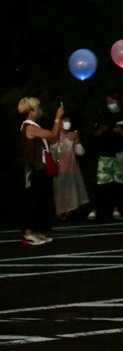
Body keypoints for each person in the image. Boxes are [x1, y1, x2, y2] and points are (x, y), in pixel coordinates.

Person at [19, 97, 64, 245]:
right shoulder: (29, 127)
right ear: (30, 111)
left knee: (40, 200)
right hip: (33, 169)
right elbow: (52, 135)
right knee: (31, 200)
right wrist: (57, 118)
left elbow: (52, 139)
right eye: (37, 108)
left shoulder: (34, 126)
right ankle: (28, 234)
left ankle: (35, 231)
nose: (39, 110)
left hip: (39, 168)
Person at [91, 91, 123, 220]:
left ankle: (117, 208)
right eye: (108, 102)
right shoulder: (103, 116)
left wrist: (121, 132)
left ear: (118, 101)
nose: (110, 104)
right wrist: (101, 130)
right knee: (101, 183)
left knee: (119, 183)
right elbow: (95, 134)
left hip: (122, 153)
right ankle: (95, 209)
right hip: (105, 154)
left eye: (112, 102)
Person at [52, 113, 90, 220]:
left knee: (71, 190)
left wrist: (77, 142)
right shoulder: (55, 136)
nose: (68, 123)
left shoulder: (72, 134)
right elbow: (59, 152)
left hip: (72, 168)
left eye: (69, 121)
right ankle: (59, 212)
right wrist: (69, 141)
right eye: (65, 121)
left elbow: (80, 152)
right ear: (59, 123)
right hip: (60, 169)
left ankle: (69, 211)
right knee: (60, 191)